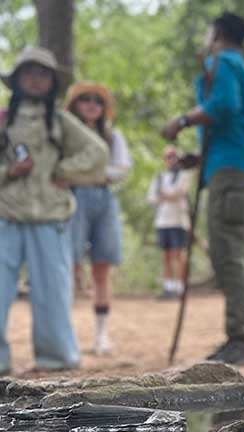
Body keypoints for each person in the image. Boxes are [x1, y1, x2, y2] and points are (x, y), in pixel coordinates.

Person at [161, 11, 244, 366]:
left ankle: (242, 339)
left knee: (229, 255)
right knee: (236, 254)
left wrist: (181, 121)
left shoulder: (224, 60)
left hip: (234, 173)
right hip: (241, 168)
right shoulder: (239, 67)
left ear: (218, 33)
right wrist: (195, 159)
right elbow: (230, 124)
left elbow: (223, 107)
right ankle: (241, 336)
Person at [0, 47, 108, 374]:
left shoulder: (61, 122)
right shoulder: (3, 119)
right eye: (29, 72)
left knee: (53, 295)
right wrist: (9, 172)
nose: (35, 78)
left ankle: (57, 360)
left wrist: (64, 171)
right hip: (6, 216)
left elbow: (97, 152)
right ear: (17, 78)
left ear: (52, 81)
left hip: (51, 219)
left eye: (43, 73)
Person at [65, 81, 131, 356]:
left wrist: (93, 175)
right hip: (72, 200)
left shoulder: (112, 136)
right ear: (74, 105)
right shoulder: (65, 136)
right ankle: (65, 336)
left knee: (102, 268)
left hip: (103, 199)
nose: (92, 104)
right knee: (67, 266)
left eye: (98, 101)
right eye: (85, 99)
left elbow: (122, 168)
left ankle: (101, 335)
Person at [146, 145, 191, 299]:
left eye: (174, 156)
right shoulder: (159, 177)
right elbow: (151, 198)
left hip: (179, 220)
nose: (171, 159)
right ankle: (168, 287)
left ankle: (180, 287)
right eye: (168, 157)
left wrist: (165, 195)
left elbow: (179, 192)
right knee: (166, 255)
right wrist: (165, 196)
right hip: (162, 221)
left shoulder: (184, 175)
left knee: (179, 254)